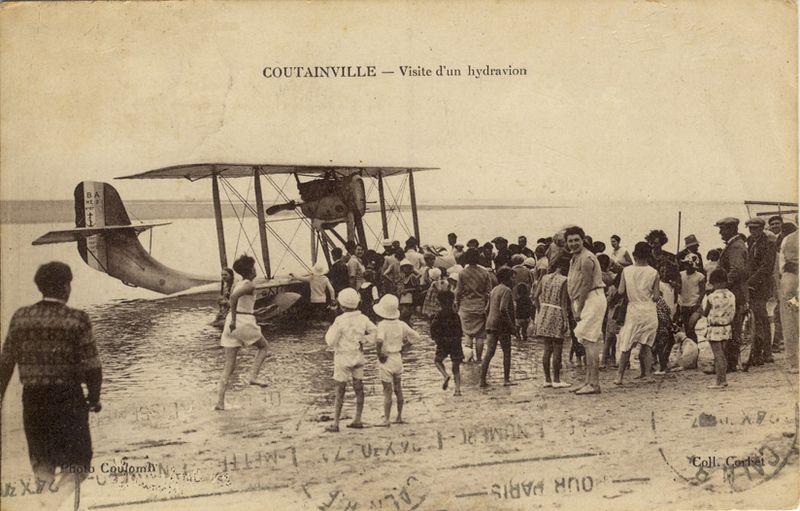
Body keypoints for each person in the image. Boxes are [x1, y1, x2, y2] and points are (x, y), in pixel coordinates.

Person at [0, 262, 102, 483]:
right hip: (68, 401)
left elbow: (6, 362)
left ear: (41, 287)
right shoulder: (77, 318)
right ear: (65, 287)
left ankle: (45, 503)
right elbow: (92, 365)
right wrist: (94, 398)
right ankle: (54, 504)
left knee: (43, 466)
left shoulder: (21, 317)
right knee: (78, 466)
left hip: (33, 401)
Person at [216, 255, 274, 410]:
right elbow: (234, 298)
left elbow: (237, 301)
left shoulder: (239, 283)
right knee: (264, 347)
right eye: (254, 268)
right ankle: (253, 377)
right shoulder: (249, 285)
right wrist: (235, 319)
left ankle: (220, 403)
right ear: (250, 270)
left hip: (230, 324)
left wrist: (233, 319)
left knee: (229, 366)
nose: (256, 270)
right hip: (241, 321)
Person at [324, 288, 377, 432]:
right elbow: (375, 332)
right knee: (359, 387)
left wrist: (330, 327)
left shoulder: (339, 320)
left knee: (340, 389)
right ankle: (357, 419)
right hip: (358, 356)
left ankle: (335, 423)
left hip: (342, 358)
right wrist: (364, 340)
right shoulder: (363, 318)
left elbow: (330, 341)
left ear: (341, 305)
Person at [566, 226, 607, 395]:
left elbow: (586, 284)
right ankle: (588, 381)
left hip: (591, 298)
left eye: (577, 240)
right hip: (586, 300)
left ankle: (594, 384)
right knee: (586, 340)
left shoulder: (586, 258)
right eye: (570, 241)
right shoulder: (575, 257)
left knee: (590, 342)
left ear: (583, 240)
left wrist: (579, 308)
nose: (573, 243)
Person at [613, 242, 659, 386]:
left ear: (634, 255)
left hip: (633, 310)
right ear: (649, 255)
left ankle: (619, 377)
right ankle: (649, 375)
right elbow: (657, 297)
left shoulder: (626, 271)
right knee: (646, 345)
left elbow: (620, 291)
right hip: (649, 310)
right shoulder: (654, 272)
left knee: (627, 344)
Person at [373, 294, 420, 426]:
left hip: (386, 359)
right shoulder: (402, 324)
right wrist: (405, 346)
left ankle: (386, 419)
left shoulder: (382, 325)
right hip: (398, 358)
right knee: (398, 388)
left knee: (387, 391)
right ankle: (399, 416)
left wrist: (379, 354)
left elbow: (379, 340)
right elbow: (416, 337)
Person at [715, 217, 749, 372]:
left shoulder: (735, 246)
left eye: (722, 229)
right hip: (735, 292)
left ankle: (731, 362)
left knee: (733, 327)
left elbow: (737, 270)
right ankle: (730, 361)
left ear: (730, 229)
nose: (721, 232)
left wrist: (723, 285)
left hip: (734, 293)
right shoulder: (735, 244)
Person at [532, 257, 572, 388]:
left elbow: (534, 296)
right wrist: (565, 320)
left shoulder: (544, 278)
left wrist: (540, 309)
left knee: (547, 348)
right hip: (557, 312)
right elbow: (563, 303)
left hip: (544, 311)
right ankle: (556, 379)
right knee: (557, 348)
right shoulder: (564, 280)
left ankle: (547, 379)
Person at [744, 217, 777, 369]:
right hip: (752, 284)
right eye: (750, 228)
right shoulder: (751, 241)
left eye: (756, 228)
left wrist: (751, 282)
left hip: (761, 285)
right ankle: (765, 352)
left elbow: (766, 267)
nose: (753, 231)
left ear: (762, 228)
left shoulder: (769, 243)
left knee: (760, 319)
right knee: (760, 319)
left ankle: (763, 353)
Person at [480, 267, 515, 387]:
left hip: (490, 324)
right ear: (507, 278)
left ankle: (482, 381)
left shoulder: (494, 290)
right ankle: (506, 380)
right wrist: (511, 326)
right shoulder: (507, 290)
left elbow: (486, 309)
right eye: (512, 277)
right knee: (507, 352)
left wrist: (489, 320)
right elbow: (503, 309)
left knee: (489, 352)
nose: (513, 279)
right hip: (502, 325)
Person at [455, 249, 492, 362]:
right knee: (480, 336)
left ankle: (468, 359)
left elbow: (458, 291)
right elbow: (488, 292)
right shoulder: (484, 272)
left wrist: (457, 303)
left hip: (465, 307)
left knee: (467, 334)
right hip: (480, 306)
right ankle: (479, 359)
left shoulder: (462, 273)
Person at [702, 269, 736, 388]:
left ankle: (720, 381)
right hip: (727, 327)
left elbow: (705, 313)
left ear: (714, 282)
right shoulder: (731, 295)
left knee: (718, 355)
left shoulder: (712, 296)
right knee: (723, 354)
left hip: (715, 328)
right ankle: (723, 379)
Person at [430, 291, 465, 396]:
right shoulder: (455, 315)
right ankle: (457, 390)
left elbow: (433, 328)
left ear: (439, 303)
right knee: (456, 366)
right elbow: (460, 331)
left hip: (442, 342)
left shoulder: (438, 315)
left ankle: (445, 375)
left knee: (437, 361)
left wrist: (436, 339)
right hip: (455, 342)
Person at [778, 223, 798, 373]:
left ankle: (794, 362)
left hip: (791, 282)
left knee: (791, 320)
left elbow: (782, 265)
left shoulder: (788, 239)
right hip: (793, 285)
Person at [646, 229, 681, 313]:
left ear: (661, 243)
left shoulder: (670, 257)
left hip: (666, 289)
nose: (654, 245)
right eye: (652, 243)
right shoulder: (646, 257)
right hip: (650, 289)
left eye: (656, 243)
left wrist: (675, 283)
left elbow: (677, 274)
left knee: (667, 313)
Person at [677, 253, 706, 342]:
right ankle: (690, 347)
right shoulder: (680, 274)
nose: (687, 267)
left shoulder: (700, 276)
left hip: (694, 306)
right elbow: (678, 288)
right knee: (686, 329)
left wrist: (698, 303)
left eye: (689, 265)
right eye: (686, 264)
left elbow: (702, 292)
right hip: (684, 305)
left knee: (691, 327)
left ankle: (694, 347)